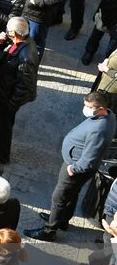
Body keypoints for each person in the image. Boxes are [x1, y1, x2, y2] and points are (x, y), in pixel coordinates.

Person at [26, 93, 116, 241]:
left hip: (75, 167)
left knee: (59, 197)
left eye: (88, 107)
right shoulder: (109, 115)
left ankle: (49, 230)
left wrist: (73, 168)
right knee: (71, 194)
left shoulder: (99, 129)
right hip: (76, 164)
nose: (85, 109)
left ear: (100, 109)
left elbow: (89, 159)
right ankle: (61, 219)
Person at [0, 16, 40, 164]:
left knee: (4, 126)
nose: (6, 31)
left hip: (9, 97)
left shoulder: (25, 56)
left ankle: (3, 155)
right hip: (3, 90)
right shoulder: (18, 42)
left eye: (8, 29)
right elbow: (4, 57)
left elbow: (25, 85)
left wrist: (11, 104)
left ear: (14, 33)